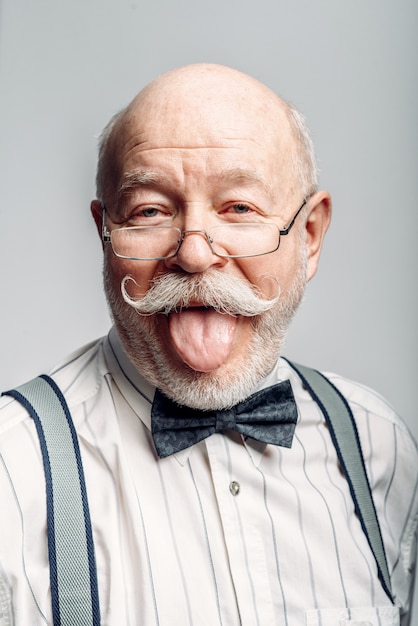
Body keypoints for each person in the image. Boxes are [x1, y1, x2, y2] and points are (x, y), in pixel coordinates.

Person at [0, 63, 416, 626]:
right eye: (150, 210)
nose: (194, 254)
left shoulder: (379, 449)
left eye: (239, 208)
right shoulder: (12, 470)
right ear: (104, 233)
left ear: (310, 237)